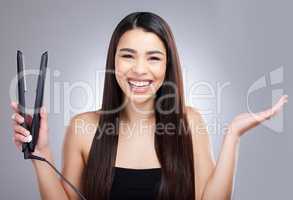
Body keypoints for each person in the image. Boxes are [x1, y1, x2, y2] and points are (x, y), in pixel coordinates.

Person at [11, 12, 288, 200]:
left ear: (167, 65)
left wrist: (233, 136)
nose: (140, 70)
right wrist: (41, 153)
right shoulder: (84, 127)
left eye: (153, 58)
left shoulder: (189, 122)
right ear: (113, 62)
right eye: (128, 56)